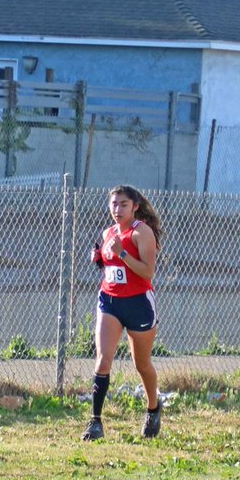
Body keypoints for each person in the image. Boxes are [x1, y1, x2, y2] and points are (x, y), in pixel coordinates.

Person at [82, 185, 164, 441]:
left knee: (142, 365)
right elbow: (111, 267)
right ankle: (95, 422)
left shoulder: (142, 232)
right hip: (110, 301)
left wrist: (123, 253)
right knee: (103, 360)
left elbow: (147, 272)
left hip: (138, 303)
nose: (117, 210)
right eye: (114, 204)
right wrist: (99, 258)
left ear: (135, 206)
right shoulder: (108, 232)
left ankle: (153, 407)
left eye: (123, 204)